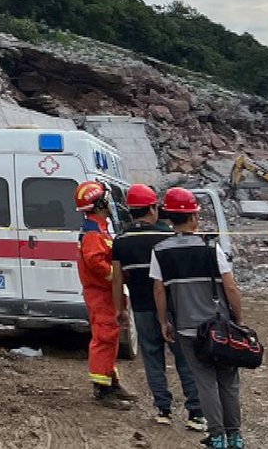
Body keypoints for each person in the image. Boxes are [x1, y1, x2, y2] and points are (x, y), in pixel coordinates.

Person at [152, 187, 247, 449]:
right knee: (228, 381)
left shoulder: (160, 251)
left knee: (204, 382)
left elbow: (159, 290)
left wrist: (164, 322)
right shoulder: (210, 247)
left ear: (169, 218)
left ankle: (216, 437)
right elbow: (230, 287)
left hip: (186, 329)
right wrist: (239, 320)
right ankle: (235, 437)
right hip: (221, 328)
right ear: (194, 216)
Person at [111, 184, 207, 432]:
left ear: (130, 212)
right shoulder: (167, 237)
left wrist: (119, 309)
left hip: (141, 308)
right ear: (153, 208)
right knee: (184, 358)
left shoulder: (120, 241)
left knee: (152, 358)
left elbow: (117, 279)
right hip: (173, 308)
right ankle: (195, 413)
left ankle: (163, 410)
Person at [75, 180, 136, 409]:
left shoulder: (99, 228)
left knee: (111, 336)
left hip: (107, 292)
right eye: (107, 200)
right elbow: (95, 262)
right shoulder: (93, 232)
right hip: (100, 293)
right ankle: (102, 390)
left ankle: (111, 381)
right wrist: (117, 275)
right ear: (99, 203)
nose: (111, 204)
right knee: (104, 337)